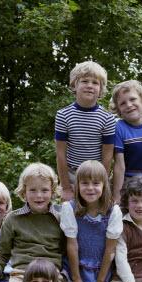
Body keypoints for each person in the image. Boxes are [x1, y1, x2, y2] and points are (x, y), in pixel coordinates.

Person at [55, 60, 116, 200]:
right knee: (69, 212)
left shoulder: (107, 118)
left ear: (101, 89)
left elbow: (107, 157)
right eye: (84, 81)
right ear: (74, 85)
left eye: (95, 83)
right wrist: (65, 187)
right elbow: (60, 153)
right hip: (71, 173)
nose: (90, 86)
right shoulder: (63, 115)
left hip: (96, 175)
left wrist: (103, 184)